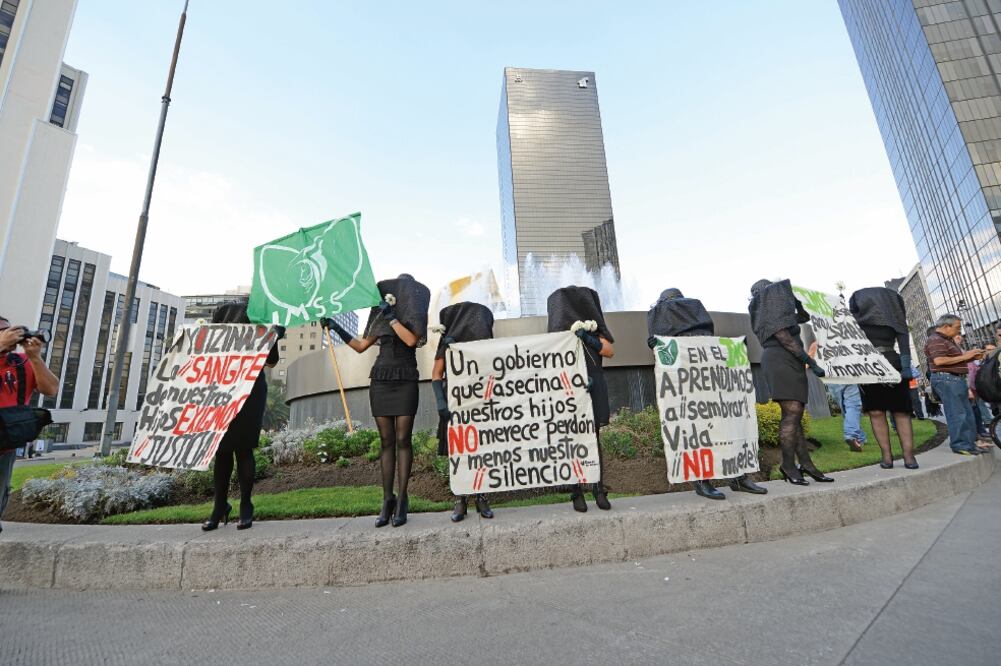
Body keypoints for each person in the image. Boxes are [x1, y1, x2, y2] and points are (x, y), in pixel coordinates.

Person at [327, 274, 429, 527]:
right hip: (381, 378)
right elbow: (361, 346)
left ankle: (403, 498)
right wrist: (335, 327)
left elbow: (411, 340)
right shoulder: (381, 316)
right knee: (386, 441)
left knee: (403, 439)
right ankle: (387, 499)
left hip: (405, 377)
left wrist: (392, 315)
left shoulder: (411, 316)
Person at [646, 288, 766, 500]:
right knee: (695, 433)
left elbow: (708, 341)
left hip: (710, 380)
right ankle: (702, 480)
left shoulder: (684, 313)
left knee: (726, 427)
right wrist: (656, 346)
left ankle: (737, 476)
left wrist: (733, 349)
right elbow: (668, 356)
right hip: (688, 387)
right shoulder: (666, 315)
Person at [201, 303, 282, 531]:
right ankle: (220, 506)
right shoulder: (225, 313)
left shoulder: (263, 318)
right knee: (222, 449)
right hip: (222, 388)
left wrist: (274, 337)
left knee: (244, 448)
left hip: (251, 389)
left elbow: (272, 361)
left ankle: (245, 504)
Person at [748, 279, 833, 485]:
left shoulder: (776, 311)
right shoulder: (766, 310)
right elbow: (785, 339)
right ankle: (788, 465)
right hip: (780, 359)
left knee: (795, 415)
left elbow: (803, 317)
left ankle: (806, 464)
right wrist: (811, 362)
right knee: (792, 413)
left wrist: (795, 301)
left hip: (790, 360)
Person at [547, 286, 615, 512]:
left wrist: (588, 337)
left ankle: (597, 487)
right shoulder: (559, 339)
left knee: (593, 439)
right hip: (569, 391)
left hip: (594, 387)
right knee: (571, 441)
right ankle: (576, 490)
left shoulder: (594, 331)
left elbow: (609, 351)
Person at [431, 302, 496, 522]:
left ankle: (481, 496)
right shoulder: (447, 344)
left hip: (479, 403)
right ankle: (460, 499)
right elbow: (436, 374)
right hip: (455, 404)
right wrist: (441, 401)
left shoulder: (486, 346)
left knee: (481, 451)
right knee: (458, 452)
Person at [0, 317, 59, 534]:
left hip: (4, 448)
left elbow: (51, 388)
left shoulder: (20, 363)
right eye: (4, 331)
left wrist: (35, 358)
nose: (10, 334)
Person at [849, 287, 919, 469]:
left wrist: (905, 367)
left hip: (893, 365)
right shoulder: (854, 322)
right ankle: (886, 456)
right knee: (876, 411)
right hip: (867, 367)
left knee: (901, 411)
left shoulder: (894, 320)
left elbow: (904, 343)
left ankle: (909, 456)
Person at [924, 314, 983, 456]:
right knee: (958, 414)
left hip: (955, 379)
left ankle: (968, 444)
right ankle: (960, 445)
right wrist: (966, 356)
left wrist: (971, 356)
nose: (959, 331)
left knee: (966, 413)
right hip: (947, 379)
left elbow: (952, 359)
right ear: (946, 326)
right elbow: (939, 360)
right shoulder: (935, 340)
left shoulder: (946, 340)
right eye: (957, 327)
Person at [968, 342, 995, 449]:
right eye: (988, 350)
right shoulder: (979, 363)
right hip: (980, 391)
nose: (991, 351)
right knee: (978, 408)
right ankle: (983, 429)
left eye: (993, 349)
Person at [828, 383, 867, 452]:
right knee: (852, 407)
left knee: (845, 409)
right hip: (849, 376)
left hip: (833, 380)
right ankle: (852, 435)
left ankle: (861, 437)